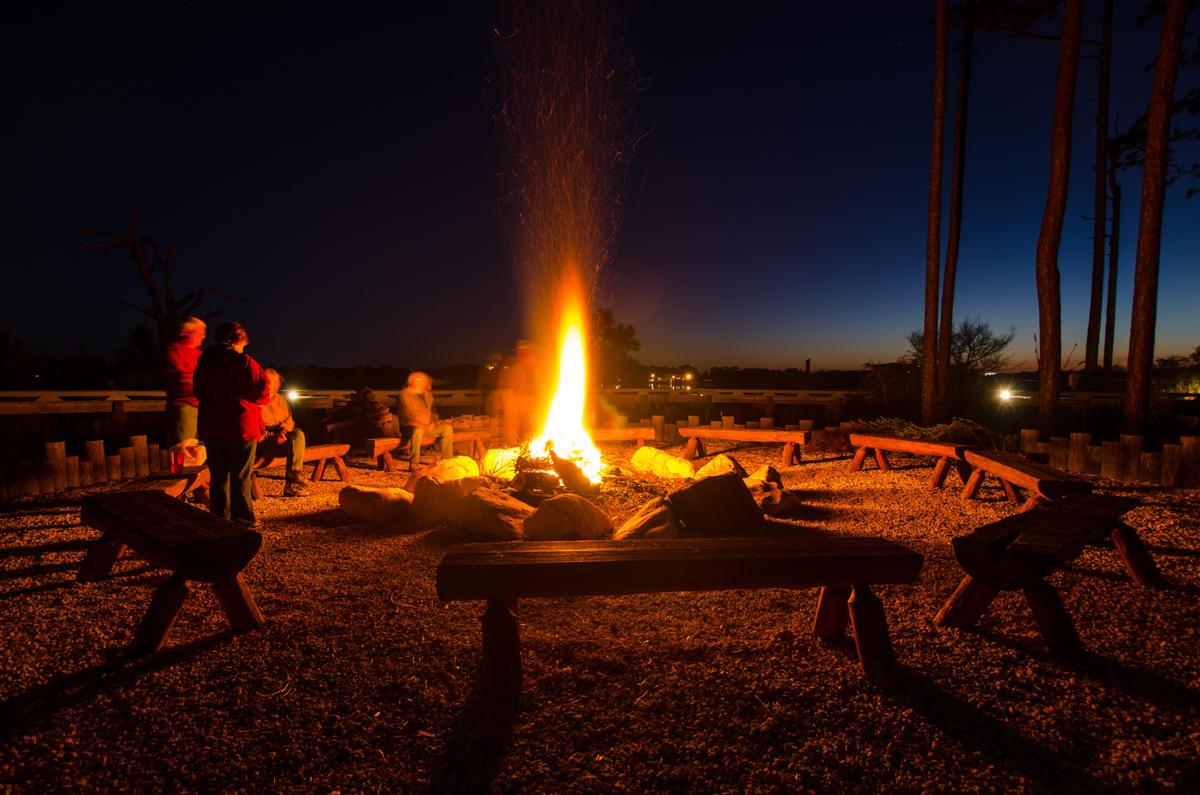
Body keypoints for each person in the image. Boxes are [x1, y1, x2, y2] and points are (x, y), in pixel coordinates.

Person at [193, 321, 270, 527]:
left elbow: (198, 391)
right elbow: (263, 389)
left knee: (218, 475)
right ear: (237, 341)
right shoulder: (243, 362)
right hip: (240, 426)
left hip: (212, 426)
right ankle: (243, 518)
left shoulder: (204, 363)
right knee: (241, 474)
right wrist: (248, 399)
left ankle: (220, 518)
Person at [258, 369, 311, 497]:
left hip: (282, 436)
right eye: (272, 382)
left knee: (298, 435)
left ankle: (294, 476)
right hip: (262, 442)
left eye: (277, 382)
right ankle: (293, 482)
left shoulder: (280, 399)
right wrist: (270, 437)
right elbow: (250, 428)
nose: (276, 385)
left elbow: (289, 419)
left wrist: (284, 431)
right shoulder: (255, 400)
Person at [163, 317, 206, 468]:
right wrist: (202, 382)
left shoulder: (201, 354)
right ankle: (181, 479)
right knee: (185, 451)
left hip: (203, 407)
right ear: (187, 332)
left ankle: (203, 482)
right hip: (185, 406)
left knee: (202, 451)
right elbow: (181, 379)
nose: (203, 337)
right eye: (200, 333)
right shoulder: (175, 350)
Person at [397, 371, 453, 471]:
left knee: (447, 429)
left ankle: (446, 460)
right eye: (419, 380)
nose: (423, 382)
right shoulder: (405, 395)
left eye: (423, 380)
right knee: (418, 431)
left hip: (426, 426)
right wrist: (419, 424)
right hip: (409, 427)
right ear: (412, 381)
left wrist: (432, 423)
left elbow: (432, 412)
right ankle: (414, 463)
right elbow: (405, 415)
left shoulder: (428, 395)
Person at [497, 340, 538, 446]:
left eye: (525, 352)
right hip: (511, 397)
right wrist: (501, 400)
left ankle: (528, 443)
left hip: (524, 399)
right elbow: (506, 383)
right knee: (512, 423)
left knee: (528, 423)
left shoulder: (530, 366)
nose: (522, 354)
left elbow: (532, 384)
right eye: (521, 352)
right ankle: (512, 445)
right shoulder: (513, 364)